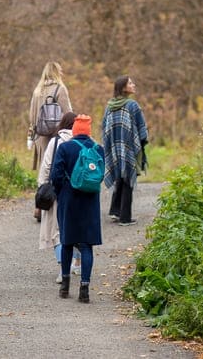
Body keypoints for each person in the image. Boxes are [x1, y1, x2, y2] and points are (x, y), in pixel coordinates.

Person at [49, 114, 104, 303]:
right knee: (86, 245)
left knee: (67, 242)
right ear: (88, 131)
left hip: (68, 201)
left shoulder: (65, 148)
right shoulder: (98, 149)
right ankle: (85, 288)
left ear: (74, 130)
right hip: (90, 203)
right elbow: (100, 175)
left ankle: (65, 286)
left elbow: (55, 175)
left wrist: (60, 192)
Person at [36, 112, 81, 283]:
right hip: (78, 192)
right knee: (75, 229)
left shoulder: (55, 142)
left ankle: (63, 268)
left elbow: (46, 167)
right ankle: (77, 263)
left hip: (57, 191)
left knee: (56, 232)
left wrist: (42, 187)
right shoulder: (83, 142)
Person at [29, 61, 73, 221]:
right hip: (56, 136)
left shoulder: (37, 91)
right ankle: (55, 206)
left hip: (41, 137)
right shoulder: (60, 89)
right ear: (57, 72)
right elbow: (68, 114)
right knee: (56, 169)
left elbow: (32, 116)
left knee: (43, 169)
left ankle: (39, 206)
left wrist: (35, 132)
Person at [102, 76, 148, 226]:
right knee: (127, 176)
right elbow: (141, 126)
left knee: (119, 177)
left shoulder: (109, 106)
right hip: (128, 147)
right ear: (123, 88)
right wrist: (142, 141)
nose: (133, 85)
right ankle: (125, 218)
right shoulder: (132, 105)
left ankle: (116, 211)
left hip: (114, 147)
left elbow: (104, 127)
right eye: (130, 83)